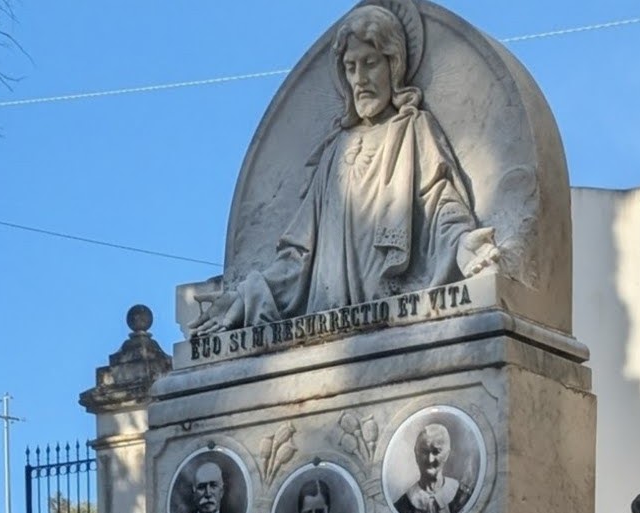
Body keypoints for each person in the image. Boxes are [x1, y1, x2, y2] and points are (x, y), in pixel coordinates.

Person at [196, 4, 498, 330]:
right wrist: (248, 295)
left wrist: (464, 246)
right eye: (351, 67)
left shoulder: (412, 130)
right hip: (328, 325)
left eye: (370, 64)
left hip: (393, 312)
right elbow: (299, 256)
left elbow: (441, 208)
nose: (361, 79)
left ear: (394, 65)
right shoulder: (332, 154)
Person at [393, 422, 471, 513]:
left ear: (447, 454)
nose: (430, 460)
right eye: (424, 452)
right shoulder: (403, 506)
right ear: (416, 455)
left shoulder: (462, 497)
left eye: (436, 452)